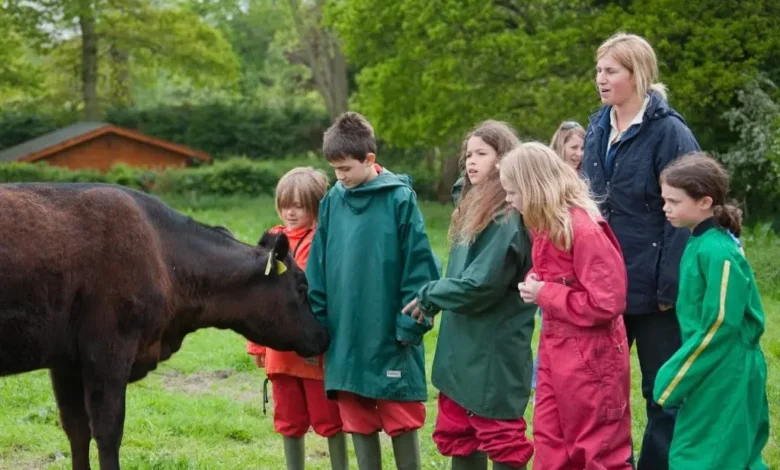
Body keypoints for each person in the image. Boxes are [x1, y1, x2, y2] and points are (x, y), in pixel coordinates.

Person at [581, 32, 700, 470]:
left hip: (655, 293)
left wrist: (670, 286)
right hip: (603, 287)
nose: (601, 78)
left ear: (638, 74)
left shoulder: (670, 133)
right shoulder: (596, 126)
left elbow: (686, 217)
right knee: (600, 390)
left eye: (611, 71)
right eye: (598, 70)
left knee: (663, 393)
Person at [305, 111, 440, 470]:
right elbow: (316, 269)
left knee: (401, 416)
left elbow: (420, 267)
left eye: (346, 168)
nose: (340, 177)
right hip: (344, 333)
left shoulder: (400, 200)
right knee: (355, 415)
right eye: (334, 169)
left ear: (370, 160)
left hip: (391, 334)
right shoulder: (333, 200)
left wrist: (410, 324)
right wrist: (316, 326)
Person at [404, 120, 535, 470]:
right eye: (468, 155)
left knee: (499, 433)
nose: (471, 161)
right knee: (460, 432)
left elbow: (481, 285)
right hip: (461, 343)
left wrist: (432, 294)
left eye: (482, 153)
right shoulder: (471, 202)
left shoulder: (507, 215)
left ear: (504, 158)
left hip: (493, 344)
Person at [501, 142, 633, 470]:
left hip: (592, 358)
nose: (508, 199)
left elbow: (608, 302)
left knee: (596, 451)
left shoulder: (584, 229)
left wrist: (543, 293)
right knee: (550, 444)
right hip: (556, 352)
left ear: (533, 188)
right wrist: (537, 279)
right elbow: (561, 275)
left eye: (512, 191)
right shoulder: (547, 226)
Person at [653, 153, 769, 469]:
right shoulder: (698, 241)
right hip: (712, 366)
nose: (666, 208)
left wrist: (674, 376)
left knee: (707, 456)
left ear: (704, 202)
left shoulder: (719, 250)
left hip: (724, 368)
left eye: (674, 201)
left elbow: (720, 324)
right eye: (665, 200)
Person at [247, 167, 346, 470]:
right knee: (288, 419)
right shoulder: (271, 239)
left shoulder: (325, 240)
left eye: (299, 205)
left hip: (313, 349)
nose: (290, 212)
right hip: (279, 351)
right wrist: (257, 345)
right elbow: (257, 298)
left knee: (328, 419)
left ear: (316, 204)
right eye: (285, 203)